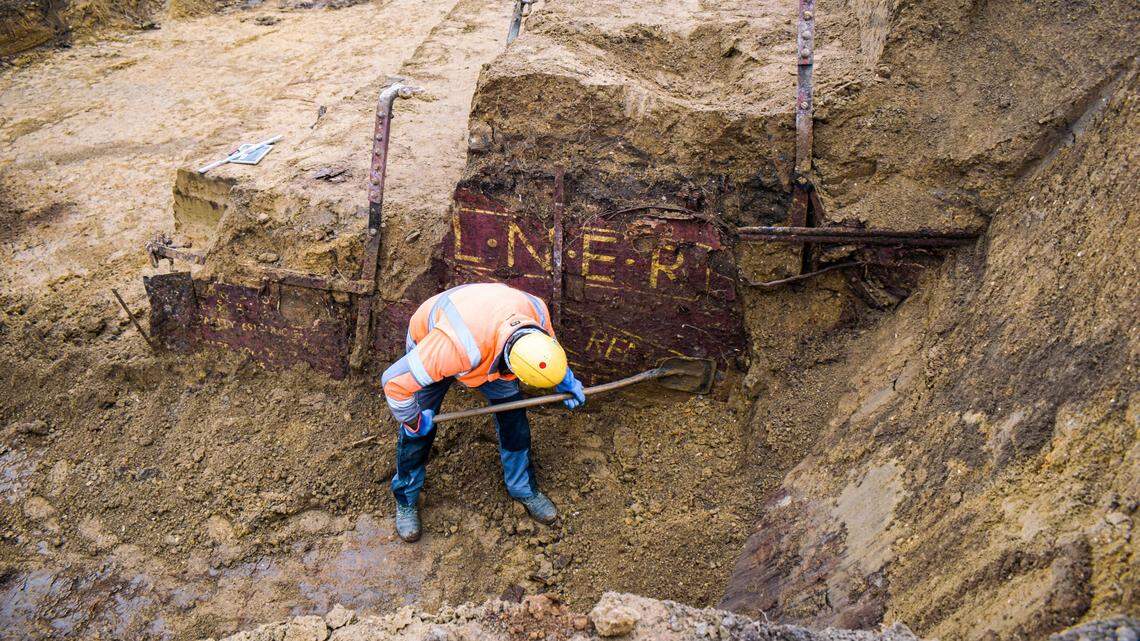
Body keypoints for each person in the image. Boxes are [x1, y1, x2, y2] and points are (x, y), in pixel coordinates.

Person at [380, 282, 587, 542]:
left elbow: (548, 350)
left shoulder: (536, 313)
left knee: (515, 422)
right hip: (437, 333)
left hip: (488, 325)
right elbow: (393, 383)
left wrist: (564, 378)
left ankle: (522, 488)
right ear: (506, 364)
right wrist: (413, 420)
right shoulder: (450, 350)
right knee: (419, 432)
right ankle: (406, 498)